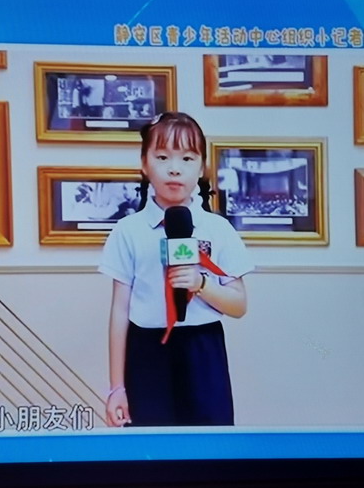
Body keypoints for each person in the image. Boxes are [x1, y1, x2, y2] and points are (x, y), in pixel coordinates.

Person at [99, 112, 254, 427]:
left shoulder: (218, 229)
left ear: (202, 167)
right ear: (144, 164)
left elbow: (239, 305)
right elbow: (120, 311)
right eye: (162, 157)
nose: (174, 168)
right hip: (146, 351)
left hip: (203, 350)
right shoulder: (128, 231)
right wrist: (117, 387)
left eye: (187, 158)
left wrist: (201, 284)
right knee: (152, 449)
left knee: (209, 447)